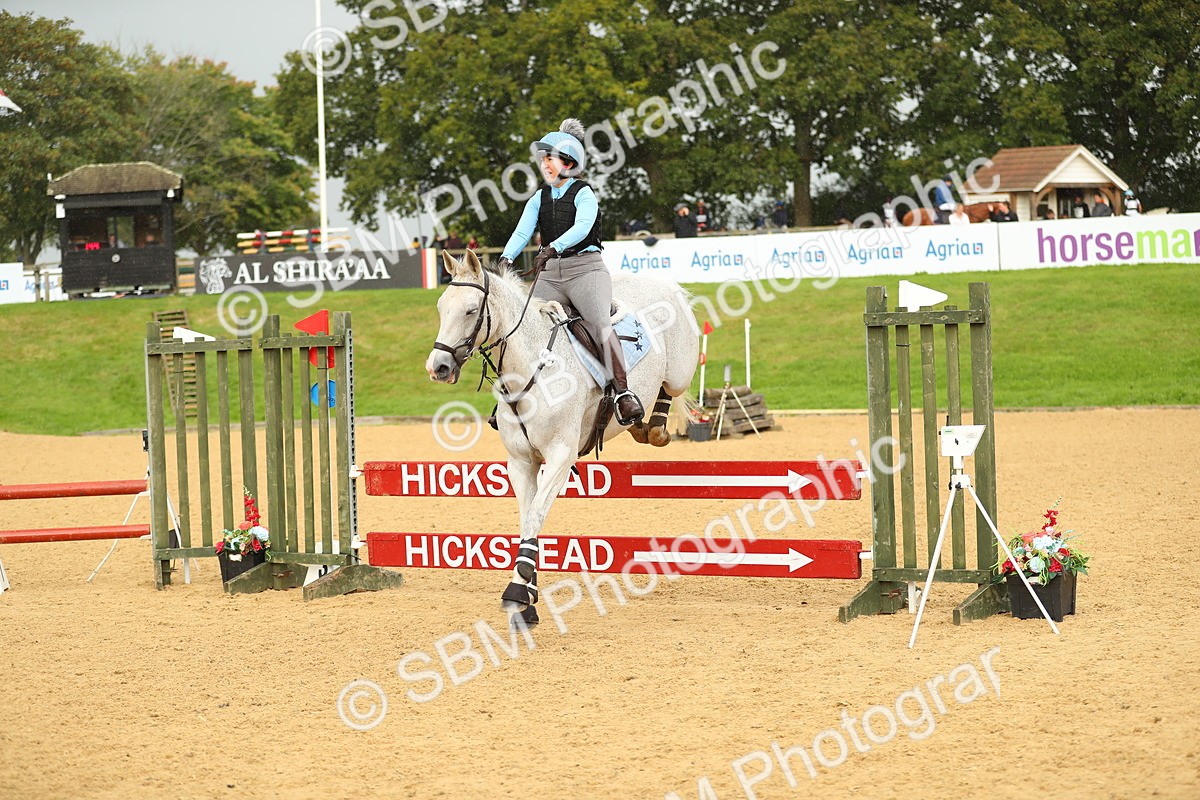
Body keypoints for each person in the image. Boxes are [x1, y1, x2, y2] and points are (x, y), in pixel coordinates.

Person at [497, 118, 644, 427]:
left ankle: (622, 393)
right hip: (550, 274)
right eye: (543, 159)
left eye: (549, 158)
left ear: (569, 162)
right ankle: (512, 400)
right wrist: (506, 259)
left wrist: (553, 247)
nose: (545, 165)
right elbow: (523, 232)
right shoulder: (539, 198)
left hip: (585, 271)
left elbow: (582, 227)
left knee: (601, 323)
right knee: (524, 325)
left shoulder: (584, 193)